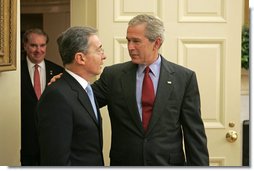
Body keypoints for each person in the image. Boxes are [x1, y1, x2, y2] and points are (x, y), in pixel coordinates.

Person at [51, 14, 209, 166]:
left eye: (136, 41)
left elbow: (194, 134)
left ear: (157, 43)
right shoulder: (113, 76)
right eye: (128, 41)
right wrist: (66, 84)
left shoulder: (184, 78)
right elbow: (81, 102)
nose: (130, 47)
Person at [36, 26, 106, 166]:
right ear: (80, 58)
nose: (104, 56)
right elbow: (56, 161)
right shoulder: (57, 96)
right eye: (99, 50)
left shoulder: (86, 90)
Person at [21, 28, 64, 166]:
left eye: (42, 45)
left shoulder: (58, 71)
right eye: (33, 45)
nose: (38, 50)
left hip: (50, 140)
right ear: (25, 46)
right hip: (23, 140)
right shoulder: (15, 73)